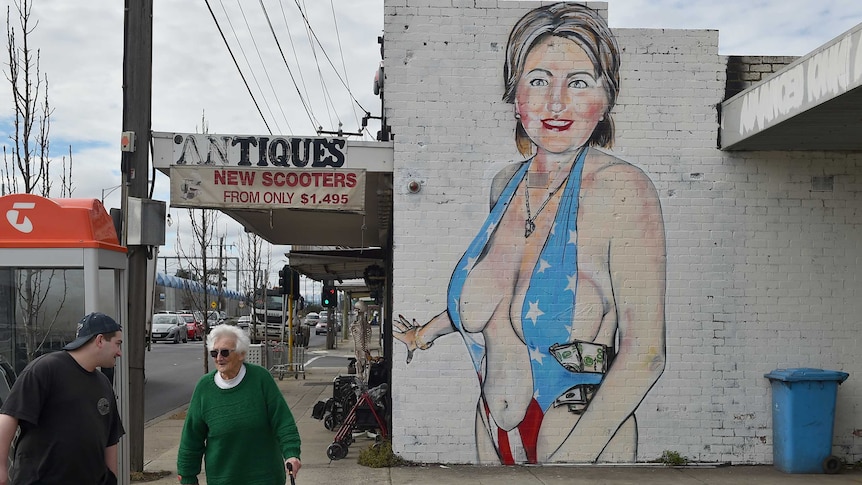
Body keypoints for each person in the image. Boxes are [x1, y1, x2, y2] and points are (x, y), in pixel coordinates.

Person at [394, 2, 666, 465]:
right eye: (538, 80)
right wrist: (426, 333)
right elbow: (502, 294)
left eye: (578, 82)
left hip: (579, 438)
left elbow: (646, 353)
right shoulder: (505, 185)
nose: (556, 103)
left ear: (606, 98)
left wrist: (562, 466)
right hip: (493, 430)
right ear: (515, 94)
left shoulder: (624, 190)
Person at [0, 312, 125, 484]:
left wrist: (111, 480)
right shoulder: (45, 369)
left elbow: (110, 438)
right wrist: (1, 469)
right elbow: (9, 416)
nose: (119, 353)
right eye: (118, 344)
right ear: (100, 340)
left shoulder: (103, 383)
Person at [177, 324, 301, 484]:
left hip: (265, 478)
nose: (219, 357)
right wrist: (187, 477)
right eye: (214, 353)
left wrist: (291, 453)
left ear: (241, 354)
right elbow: (191, 438)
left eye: (225, 352)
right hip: (223, 480)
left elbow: (283, 421)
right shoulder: (204, 388)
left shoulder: (260, 379)